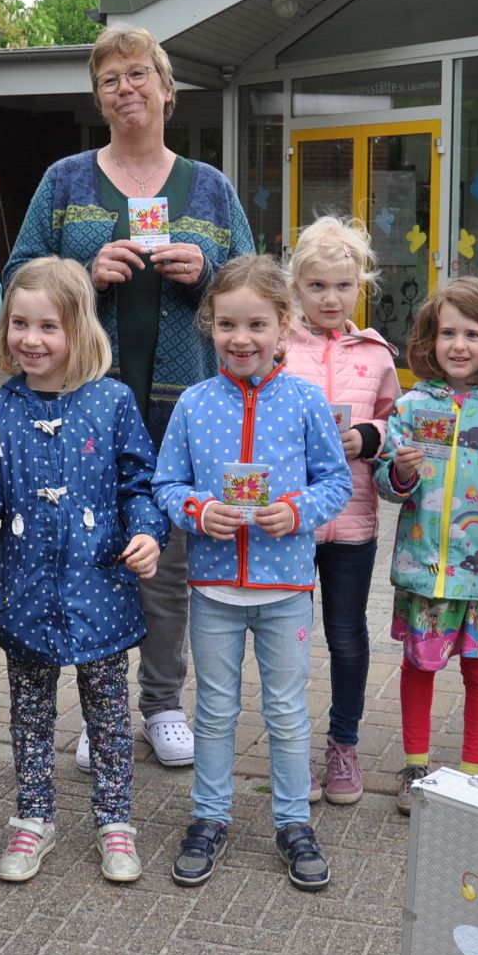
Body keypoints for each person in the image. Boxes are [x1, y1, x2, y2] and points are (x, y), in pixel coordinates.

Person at [6, 24, 255, 771]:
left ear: (167, 90)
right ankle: (101, 703)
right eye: (110, 78)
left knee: (168, 557)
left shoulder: (209, 187)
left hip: (183, 406)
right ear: (99, 96)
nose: (126, 88)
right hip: (89, 397)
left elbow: (255, 290)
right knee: (95, 549)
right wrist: (85, 266)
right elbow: (22, 273)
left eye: (138, 74)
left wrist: (207, 269)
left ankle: (160, 702)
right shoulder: (65, 179)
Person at [0, 257, 168, 884]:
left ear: (80, 331)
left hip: (102, 587)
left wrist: (148, 532)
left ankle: (115, 820)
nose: (31, 339)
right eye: (19, 323)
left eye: (49, 326)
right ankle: (32, 817)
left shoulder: (113, 401)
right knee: (30, 712)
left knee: (109, 712)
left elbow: (138, 484)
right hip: (28, 591)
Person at [152, 255, 352, 890]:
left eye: (257, 325)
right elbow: (166, 483)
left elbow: (336, 482)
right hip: (212, 588)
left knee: (287, 713)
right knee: (213, 711)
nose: (241, 339)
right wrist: (198, 509)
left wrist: (294, 512)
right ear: (209, 324)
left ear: (284, 325)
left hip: (286, 588)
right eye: (227, 324)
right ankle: (209, 817)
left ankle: (293, 821)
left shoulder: (306, 402)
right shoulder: (192, 403)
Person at [374, 277, 478, 816]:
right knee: (419, 666)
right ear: (429, 337)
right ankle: (416, 765)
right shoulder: (413, 405)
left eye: (473, 333)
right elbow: (387, 485)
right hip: (425, 568)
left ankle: (472, 773)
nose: (459, 345)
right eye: (448, 332)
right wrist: (398, 473)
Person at [281, 217, 399, 806]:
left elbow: (394, 420)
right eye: (317, 286)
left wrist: (369, 439)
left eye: (343, 286)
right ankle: (293, 749)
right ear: (296, 287)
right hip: (292, 522)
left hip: (354, 520)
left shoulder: (377, 353)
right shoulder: (278, 347)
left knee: (347, 637)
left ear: (361, 287)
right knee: (291, 640)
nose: (331, 298)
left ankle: (343, 745)